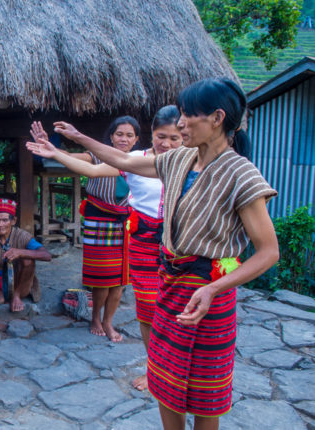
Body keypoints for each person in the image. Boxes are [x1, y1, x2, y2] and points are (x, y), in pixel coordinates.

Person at [31, 78, 278, 430]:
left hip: (210, 292)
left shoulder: (242, 176)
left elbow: (268, 253)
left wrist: (212, 290)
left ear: (217, 118)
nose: (180, 124)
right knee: (164, 381)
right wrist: (74, 140)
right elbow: (120, 159)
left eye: (188, 116)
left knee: (207, 392)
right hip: (172, 284)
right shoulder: (179, 161)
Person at [27, 106, 183, 389]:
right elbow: (91, 167)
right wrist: (56, 152)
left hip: (179, 243)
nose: (167, 143)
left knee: (176, 309)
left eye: (175, 138)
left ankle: (176, 367)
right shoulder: (137, 160)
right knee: (147, 309)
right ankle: (155, 371)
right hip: (143, 239)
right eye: (162, 136)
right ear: (152, 135)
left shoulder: (189, 161)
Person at [0, 199, 52, 311]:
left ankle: (16, 296)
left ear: (13, 221)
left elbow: (47, 255)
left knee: (27, 261)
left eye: (5, 220)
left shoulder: (23, 236)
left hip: (19, 284)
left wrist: (20, 252)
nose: (0, 224)